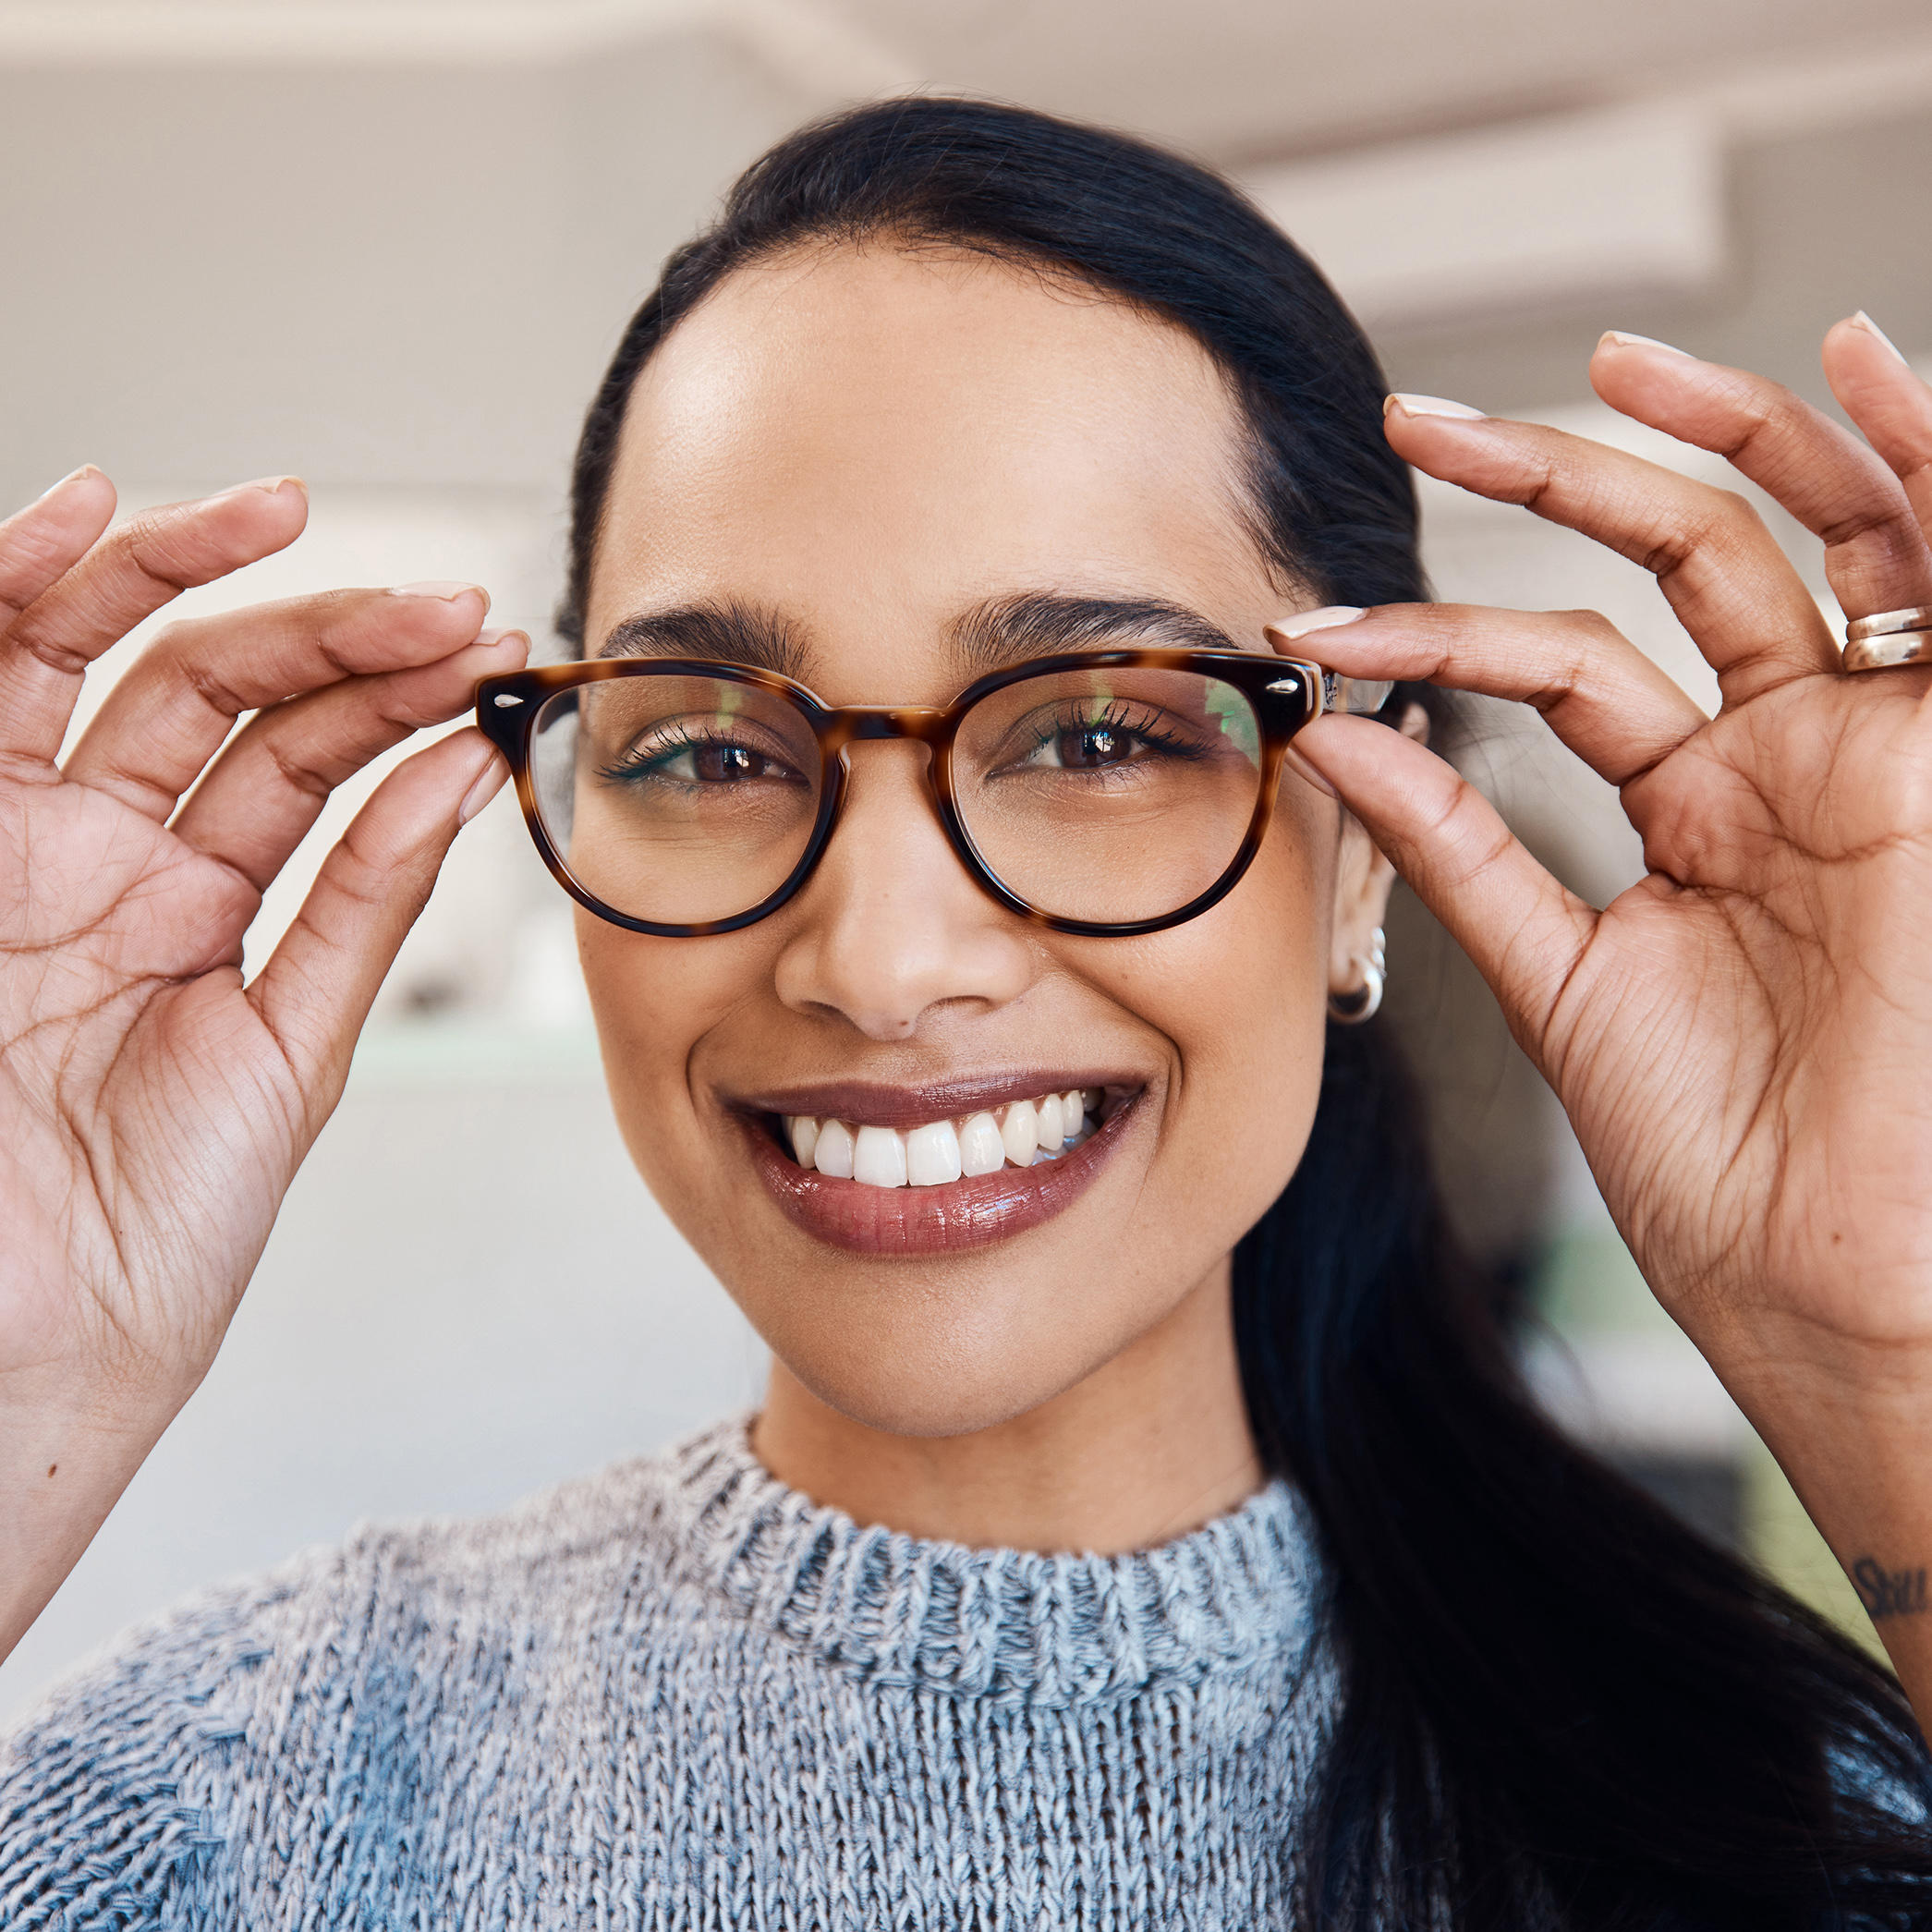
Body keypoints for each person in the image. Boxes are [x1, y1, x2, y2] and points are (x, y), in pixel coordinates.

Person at [2, 94, 1931, 1929]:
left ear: (1360, 848)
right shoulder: (220, 1803)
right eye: (703, 744)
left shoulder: (1779, 1821)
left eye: (1095, 731)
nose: (878, 955)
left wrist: (1889, 1366)